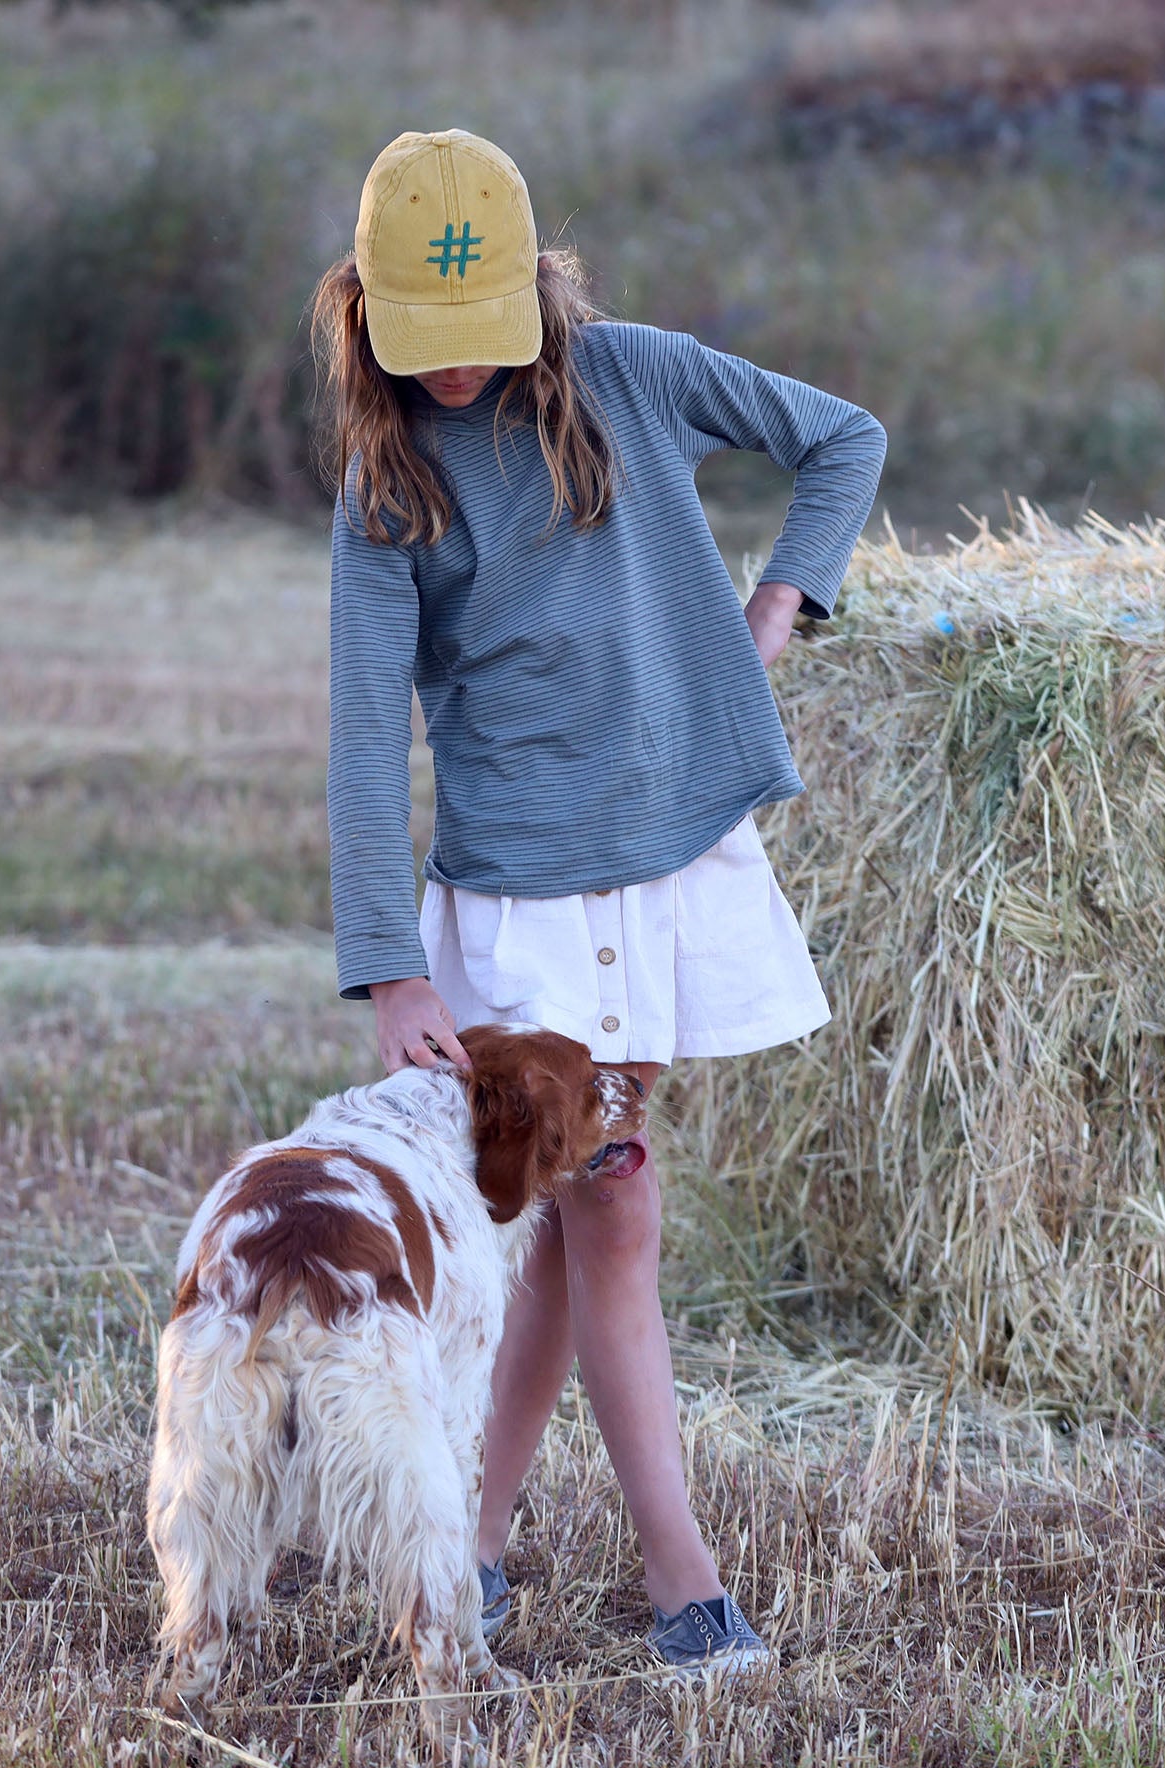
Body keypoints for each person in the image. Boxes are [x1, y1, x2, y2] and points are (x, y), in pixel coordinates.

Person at [314, 128, 885, 1676]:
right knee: (598, 1206)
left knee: (589, 1211)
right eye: (416, 346)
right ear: (363, 307)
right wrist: (390, 969)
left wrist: (786, 597)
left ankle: (481, 1550)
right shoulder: (387, 480)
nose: (450, 377)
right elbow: (368, 732)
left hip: (668, 865)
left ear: (533, 291)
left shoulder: (630, 372)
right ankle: (677, 1579)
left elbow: (845, 437)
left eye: (474, 341)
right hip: (517, 907)